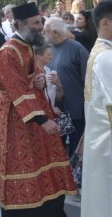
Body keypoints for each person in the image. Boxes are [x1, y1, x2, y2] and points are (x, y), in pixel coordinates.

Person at [0, 2, 76, 215]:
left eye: (40, 21)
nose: (40, 26)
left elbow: (34, 75)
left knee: (47, 160)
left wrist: (40, 80)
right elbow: (16, 88)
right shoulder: (9, 51)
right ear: (20, 24)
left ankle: (49, 208)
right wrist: (42, 120)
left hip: (36, 113)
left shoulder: (29, 45)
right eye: (36, 23)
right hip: (16, 118)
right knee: (22, 163)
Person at [81, 0, 112, 217]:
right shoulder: (107, 57)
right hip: (108, 142)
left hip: (101, 141)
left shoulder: (100, 51)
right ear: (105, 23)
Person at [44, 16, 89, 157]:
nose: (43, 34)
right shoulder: (46, 50)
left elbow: (88, 80)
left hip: (75, 110)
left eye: (46, 31)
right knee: (57, 149)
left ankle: (75, 178)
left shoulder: (77, 49)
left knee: (76, 149)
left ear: (55, 33)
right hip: (54, 110)